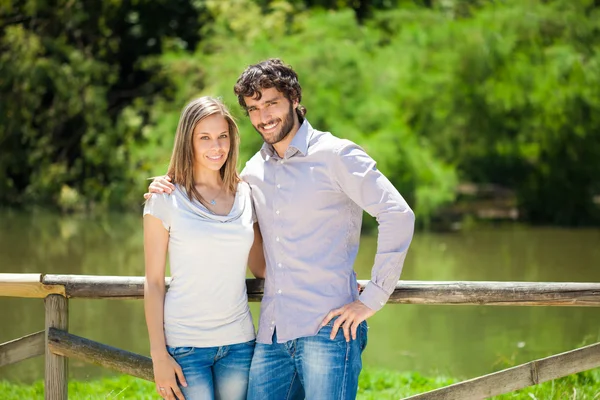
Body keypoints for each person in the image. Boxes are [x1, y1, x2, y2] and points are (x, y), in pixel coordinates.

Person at [149, 59, 415, 399]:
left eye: (271, 103)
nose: (263, 116)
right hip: (271, 337)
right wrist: (169, 182)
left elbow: (397, 213)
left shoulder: (337, 155)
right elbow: (253, 253)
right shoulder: (253, 172)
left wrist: (374, 297)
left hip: (329, 331)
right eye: (253, 108)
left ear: (293, 98)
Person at [143, 96, 265, 400]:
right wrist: (159, 355)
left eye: (223, 136)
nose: (216, 147)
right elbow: (154, 282)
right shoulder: (165, 198)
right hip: (185, 345)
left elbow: (263, 268)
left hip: (239, 343)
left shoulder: (246, 194)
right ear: (188, 141)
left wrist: (326, 276)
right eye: (205, 138)